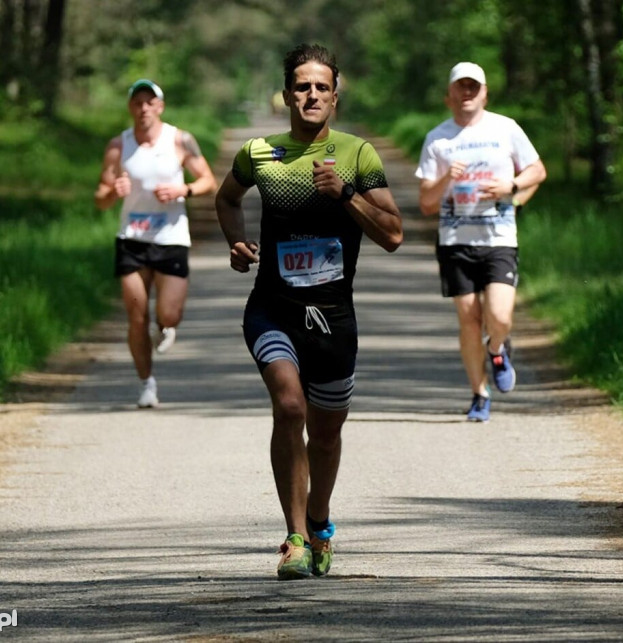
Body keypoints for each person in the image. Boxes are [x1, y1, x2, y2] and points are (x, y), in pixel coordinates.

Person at [215, 44, 403, 580]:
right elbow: (226, 199)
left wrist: (345, 194)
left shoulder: (357, 155)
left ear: (335, 97)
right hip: (272, 309)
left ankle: (319, 521)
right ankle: (295, 538)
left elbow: (393, 234)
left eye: (322, 87)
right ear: (286, 95)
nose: (312, 95)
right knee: (290, 407)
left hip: (333, 319)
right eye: (302, 86)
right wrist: (236, 242)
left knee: (324, 434)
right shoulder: (259, 153)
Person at [415, 62, 547, 423]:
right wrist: (446, 178)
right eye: (461, 86)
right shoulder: (437, 140)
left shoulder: (506, 128)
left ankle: (498, 348)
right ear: (449, 96)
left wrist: (512, 188)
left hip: (499, 238)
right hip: (455, 242)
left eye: (474, 86)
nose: (467, 92)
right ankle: (480, 394)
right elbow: (426, 203)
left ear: (485, 94)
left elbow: (538, 170)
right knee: (469, 319)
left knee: (499, 316)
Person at [94, 79, 217, 408]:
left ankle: (166, 326)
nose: (144, 108)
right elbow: (100, 198)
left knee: (169, 314)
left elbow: (208, 180)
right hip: (132, 240)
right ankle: (146, 384)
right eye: (138, 102)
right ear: (130, 107)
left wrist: (183, 190)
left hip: (171, 238)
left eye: (150, 102)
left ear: (160, 107)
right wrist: (112, 191)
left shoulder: (180, 140)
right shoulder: (118, 146)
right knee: (136, 316)